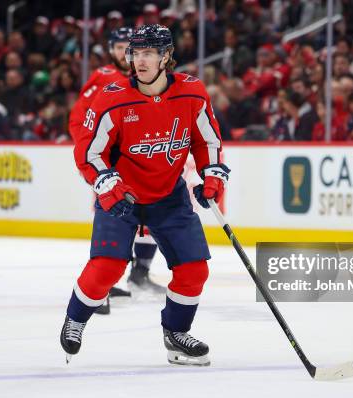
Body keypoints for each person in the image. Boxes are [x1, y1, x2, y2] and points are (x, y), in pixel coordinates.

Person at [61, 24, 228, 367]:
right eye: (136, 53)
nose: (140, 60)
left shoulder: (192, 93)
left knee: (194, 269)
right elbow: (90, 153)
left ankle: (177, 334)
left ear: (166, 56)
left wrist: (212, 175)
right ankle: (76, 319)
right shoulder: (113, 96)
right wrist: (108, 184)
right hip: (122, 197)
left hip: (169, 195)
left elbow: (206, 140)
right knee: (106, 268)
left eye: (149, 53)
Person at [69, 27, 166, 316]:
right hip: (109, 167)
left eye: (131, 46)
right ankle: (99, 287)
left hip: (141, 162)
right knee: (110, 219)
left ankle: (137, 274)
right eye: (120, 45)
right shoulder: (104, 77)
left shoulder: (145, 77)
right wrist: (92, 158)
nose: (126, 51)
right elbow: (79, 120)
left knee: (147, 217)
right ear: (112, 49)